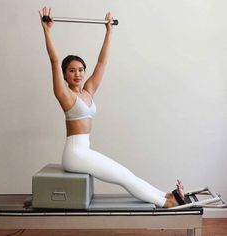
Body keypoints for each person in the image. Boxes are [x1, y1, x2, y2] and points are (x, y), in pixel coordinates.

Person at [39, 7, 186, 208]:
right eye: (72, 71)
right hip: (75, 154)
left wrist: (109, 32)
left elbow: (102, 62)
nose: (77, 74)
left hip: (85, 150)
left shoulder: (88, 91)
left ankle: (167, 195)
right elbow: (55, 61)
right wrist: (47, 31)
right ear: (65, 75)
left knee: (127, 174)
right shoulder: (65, 95)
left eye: (80, 70)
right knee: (123, 176)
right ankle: (165, 203)